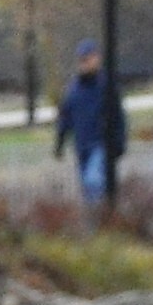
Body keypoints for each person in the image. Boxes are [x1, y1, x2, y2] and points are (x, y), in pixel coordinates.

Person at [58, 41, 126, 207]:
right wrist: (59, 142)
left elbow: (118, 115)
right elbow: (65, 117)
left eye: (89, 58)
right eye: (83, 59)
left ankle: (101, 213)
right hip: (82, 147)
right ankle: (99, 222)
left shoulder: (106, 86)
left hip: (101, 144)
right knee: (88, 190)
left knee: (93, 181)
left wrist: (120, 142)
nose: (86, 63)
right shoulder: (74, 90)